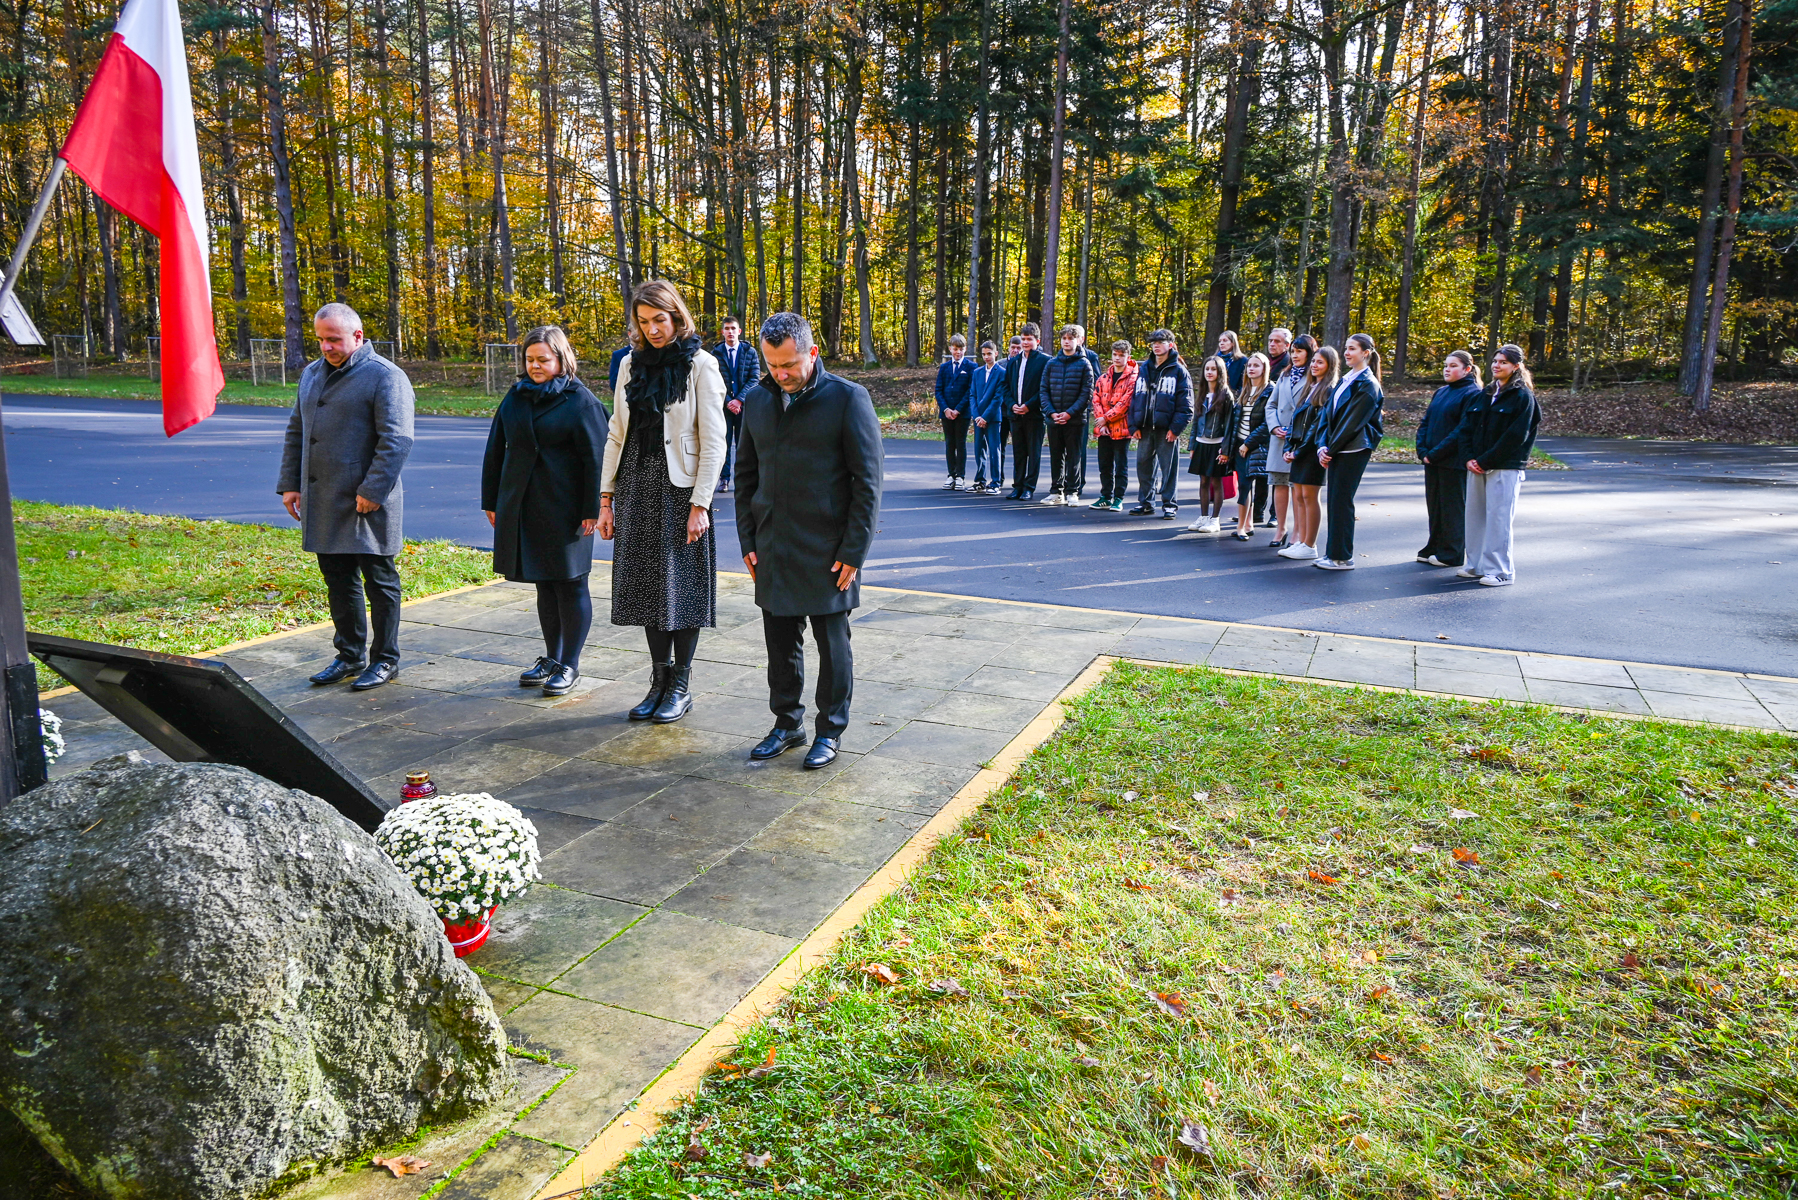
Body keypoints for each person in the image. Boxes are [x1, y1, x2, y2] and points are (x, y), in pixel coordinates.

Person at [736, 313, 883, 769]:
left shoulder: (847, 399)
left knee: (833, 646)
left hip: (829, 550)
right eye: (773, 365)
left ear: (812, 352)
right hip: (773, 546)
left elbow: (868, 483)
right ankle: (787, 724)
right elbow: (745, 477)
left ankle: (830, 730)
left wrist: (853, 552)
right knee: (780, 645)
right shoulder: (758, 400)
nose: (782, 375)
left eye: (790, 365)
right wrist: (748, 540)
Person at [601, 280, 727, 723]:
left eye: (660, 319)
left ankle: (681, 685)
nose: (652, 329)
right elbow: (617, 431)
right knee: (646, 588)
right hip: (636, 482)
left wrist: (701, 504)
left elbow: (715, 441)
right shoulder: (630, 364)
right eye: (644, 321)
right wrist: (606, 498)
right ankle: (657, 681)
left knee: (682, 588)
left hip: (681, 490)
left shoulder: (701, 365)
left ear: (676, 316)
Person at [279, 303, 415, 691]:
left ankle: (385, 659)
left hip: (367, 499)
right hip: (323, 497)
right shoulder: (311, 374)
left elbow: (397, 439)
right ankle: (350, 654)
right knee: (338, 580)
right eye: (320, 339)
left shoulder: (385, 376)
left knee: (380, 581)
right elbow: (296, 431)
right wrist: (291, 483)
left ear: (357, 336)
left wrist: (373, 492)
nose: (326, 347)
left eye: (333, 339)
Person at [481, 326, 609, 696]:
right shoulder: (516, 396)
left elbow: (596, 459)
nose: (535, 366)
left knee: (570, 584)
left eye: (543, 360)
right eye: (530, 359)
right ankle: (552, 658)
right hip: (523, 504)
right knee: (544, 583)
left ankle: (570, 663)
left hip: (569, 508)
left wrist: (594, 508)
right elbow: (496, 449)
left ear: (561, 359)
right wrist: (491, 500)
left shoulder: (580, 401)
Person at [1442, 344, 1540, 587]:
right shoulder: (1484, 394)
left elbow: (1515, 436)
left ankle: (1501, 571)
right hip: (1476, 466)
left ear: (1516, 366)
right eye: (1495, 361)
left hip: (1504, 467)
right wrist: (1469, 458)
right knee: (1474, 517)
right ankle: (1476, 565)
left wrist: (1485, 461)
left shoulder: (1523, 397)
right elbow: (1465, 429)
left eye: (1503, 362)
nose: (1497, 365)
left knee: (1498, 520)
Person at [1312, 332, 1385, 571]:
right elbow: (1327, 415)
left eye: (1352, 348)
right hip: (1335, 449)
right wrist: (1322, 445)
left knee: (1342, 501)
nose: (1347, 352)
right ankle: (1333, 553)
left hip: (1352, 450)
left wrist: (1330, 450)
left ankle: (1342, 557)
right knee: (1335, 500)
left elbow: (1352, 423)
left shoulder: (1368, 384)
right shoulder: (1347, 380)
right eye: (1346, 347)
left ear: (1365, 352)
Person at [1414, 349, 1483, 568]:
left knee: (1452, 507)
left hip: (1452, 461)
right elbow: (1426, 422)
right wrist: (1423, 450)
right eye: (1446, 365)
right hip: (1432, 460)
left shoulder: (1472, 393)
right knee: (1435, 506)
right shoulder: (1442, 392)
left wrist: (1435, 453)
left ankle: (1451, 553)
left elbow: (1462, 429)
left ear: (1467, 369)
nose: (1447, 369)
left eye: (1453, 366)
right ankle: (1434, 545)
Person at [1278, 344, 1338, 561]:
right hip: (1299, 451)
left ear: (1330, 366)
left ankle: (1310, 544)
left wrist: (1300, 451)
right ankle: (1301, 541)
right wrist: (1288, 447)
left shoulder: (1329, 390)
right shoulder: (1310, 387)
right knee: (1299, 495)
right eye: (1313, 361)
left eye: (1320, 362)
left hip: (1312, 452)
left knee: (1310, 496)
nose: (1314, 365)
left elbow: (1317, 427)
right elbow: (1296, 421)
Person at [1128, 329, 1193, 520]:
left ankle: (1169, 504)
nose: (1156, 345)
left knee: (1168, 468)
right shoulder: (1145, 368)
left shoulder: (1179, 371)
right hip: (1145, 427)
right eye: (1153, 342)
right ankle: (1146, 503)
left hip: (1167, 429)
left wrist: (1175, 429)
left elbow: (1186, 405)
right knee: (1143, 465)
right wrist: (1134, 426)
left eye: (1161, 342)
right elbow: (1135, 399)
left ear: (1170, 345)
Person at [1257, 333, 1313, 549]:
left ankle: (1298, 531)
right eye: (1293, 351)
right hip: (1279, 438)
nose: (1295, 355)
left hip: (1299, 439)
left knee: (1297, 487)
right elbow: (1271, 405)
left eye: (1299, 351)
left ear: (1309, 353)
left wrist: (1294, 429)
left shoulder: (1314, 375)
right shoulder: (1284, 375)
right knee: (1279, 484)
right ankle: (1281, 528)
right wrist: (1274, 426)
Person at [1039, 323, 1095, 505]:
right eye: (1064, 338)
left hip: (1075, 420)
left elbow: (1087, 392)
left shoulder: (1084, 363)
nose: (1066, 342)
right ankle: (1056, 492)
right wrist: (1052, 413)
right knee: (1056, 455)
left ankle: (1072, 492)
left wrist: (1069, 413)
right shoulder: (1051, 363)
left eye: (1070, 338)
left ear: (1078, 341)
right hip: (1054, 419)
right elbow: (1043, 390)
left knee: (1074, 456)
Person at [1186, 355, 1235, 534]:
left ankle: (1215, 520)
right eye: (1207, 369)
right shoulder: (1202, 393)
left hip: (1218, 445)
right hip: (1201, 444)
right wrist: (1192, 445)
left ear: (1220, 372)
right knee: (1203, 481)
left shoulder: (1226, 396)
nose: (1209, 372)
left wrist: (1226, 450)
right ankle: (1204, 517)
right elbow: (1195, 422)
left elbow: (1230, 426)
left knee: (1216, 481)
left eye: (1213, 369)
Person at [711, 315, 760, 494]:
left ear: (739, 331)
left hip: (744, 407)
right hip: (723, 408)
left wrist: (739, 399)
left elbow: (754, 378)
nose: (730, 332)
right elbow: (713, 380)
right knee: (723, 444)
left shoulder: (750, 352)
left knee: (743, 445)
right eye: (727, 329)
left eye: (733, 329)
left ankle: (743, 480)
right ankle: (724, 479)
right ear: (723, 332)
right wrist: (728, 401)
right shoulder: (715, 354)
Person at [1005, 323, 1052, 500]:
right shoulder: (1014, 361)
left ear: (1037, 341)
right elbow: (1005, 387)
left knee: (1033, 453)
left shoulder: (1045, 361)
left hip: (1034, 415)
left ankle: (1029, 487)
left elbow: (1044, 389)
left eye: (1029, 339)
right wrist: (1012, 405)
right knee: (1018, 453)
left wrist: (1028, 405)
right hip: (1015, 416)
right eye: (1023, 339)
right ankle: (1017, 486)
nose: (1025, 342)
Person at [1089, 340, 1137, 510]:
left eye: (1121, 355)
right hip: (1104, 429)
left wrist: (1107, 418)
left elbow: (1126, 403)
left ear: (1128, 356)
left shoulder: (1133, 378)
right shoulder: (1103, 378)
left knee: (1120, 465)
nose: (1117, 358)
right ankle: (1105, 496)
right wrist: (1101, 421)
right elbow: (1096, 399)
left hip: (1122, 429)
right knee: (1105, 464)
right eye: (1115, 355)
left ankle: (1118, 498)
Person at [1231, 351, 1273, 540]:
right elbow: (1236, 421)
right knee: (1243, 485)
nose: (1251, 369)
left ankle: (1241, 528)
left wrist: (1248, 443)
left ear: (1264, 368)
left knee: (1248, 484)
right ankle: (1247, 524)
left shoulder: (1270, 390)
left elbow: (1267, 423)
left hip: (1257, 445)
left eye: (1256, 365)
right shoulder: (1244, 391)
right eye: (1249, 366)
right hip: (1239, 444)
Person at [935, 333, 975, 490]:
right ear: (950, 349)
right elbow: (939, 390)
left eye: (961, 349)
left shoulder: (971, 367)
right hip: (946, 412)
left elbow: (970, 390)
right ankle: (951, 474)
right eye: (955, 349)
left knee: (961, 443)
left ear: (965, 349)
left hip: (962, 413)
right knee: (949, 443)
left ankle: (960, 476)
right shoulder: (944, 367)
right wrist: (945, 409)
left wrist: (957, 409)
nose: (958, 352)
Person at [968, 340, 1008, 495]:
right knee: (979, 449)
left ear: (996, 353)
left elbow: (998, 398)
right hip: (978, 419)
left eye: (989, 354)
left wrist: (985, 417)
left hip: (993, 418)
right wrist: (977, 416)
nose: (986, 357)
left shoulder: (1001, 372)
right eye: (983, 354)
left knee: (994, 450)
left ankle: (996, 482)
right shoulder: (977, 372)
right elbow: (972, 395)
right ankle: (979, 481)